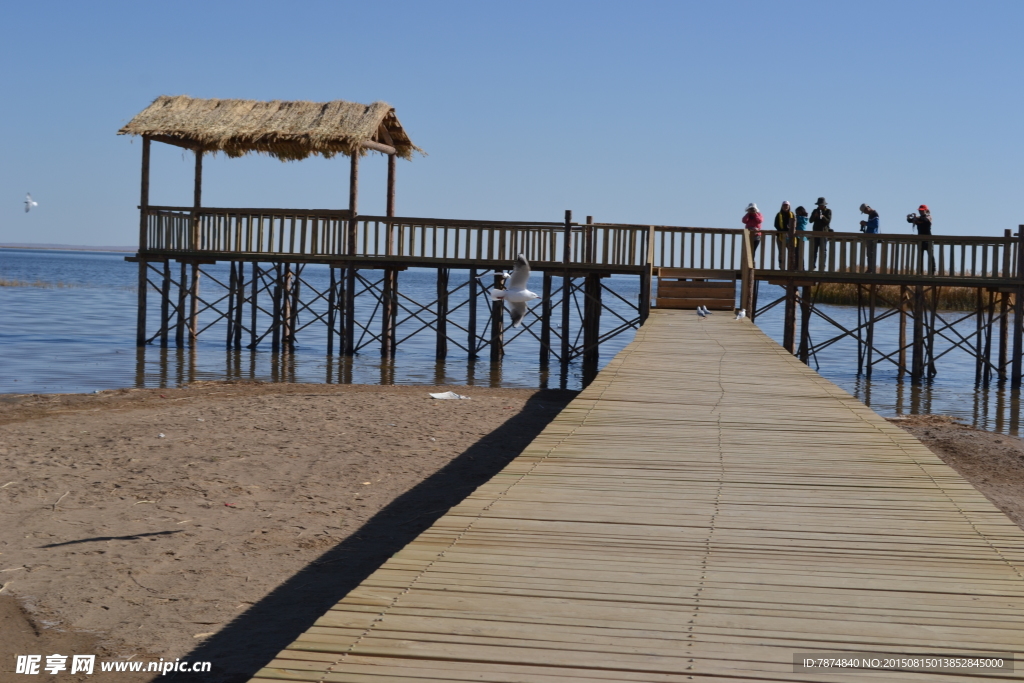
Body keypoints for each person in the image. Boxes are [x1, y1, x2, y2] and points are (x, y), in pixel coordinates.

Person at [907, 204, 934, 274]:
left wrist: (916, 218)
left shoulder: (929, 217)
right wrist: (909, 217)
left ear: (926, 210)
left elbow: (925, 220)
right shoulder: (918, 218)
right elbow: (909, 221)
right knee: (920, 257)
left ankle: (932, 271)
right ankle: (920, 271)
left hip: (928, 240)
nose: (920, 212)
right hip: (920, 240)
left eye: (922, 210)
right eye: (920, 210)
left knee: (931, 257)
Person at [809, 197, 832, 269]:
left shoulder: (828, 211)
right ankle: (813, 265)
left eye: (821, 205)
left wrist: (823, 216)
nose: (820, 206)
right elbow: (810, 221)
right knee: (814, 250)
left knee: (823, 251)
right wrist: (814, 216)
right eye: (819, 205)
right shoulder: (815, 211)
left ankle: (823, 265)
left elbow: (828, 221)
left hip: (824, 233)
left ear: (824, 205)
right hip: (815, 233)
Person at [773, 201, 796, 268]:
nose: (785, 207)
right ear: (782, 206)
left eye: (787, 205)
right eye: (784, 205)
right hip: (780, 236)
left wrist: (789, 230)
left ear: (789, 206)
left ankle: (791, 266)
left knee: (791, 251)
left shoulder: (792, 214)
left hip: (790, 236)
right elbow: (776, 224)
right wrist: (783, 231)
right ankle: (781, 266)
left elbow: (795, 224)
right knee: (781, 252)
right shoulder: (779, 214)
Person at [859, 204, 880, 273]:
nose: (865, 213)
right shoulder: (871, 214)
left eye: (864, 211)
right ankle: (870, 269)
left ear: (866, 208)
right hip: (870, 236)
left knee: (871, 254)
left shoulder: (874, 214)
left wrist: (866, 223)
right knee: (869, 254)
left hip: (873, 237)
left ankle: (872, 269)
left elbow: (876, 225)